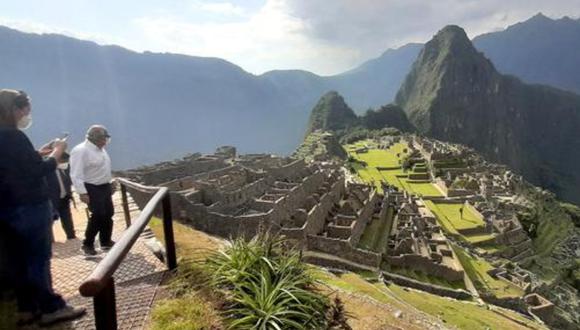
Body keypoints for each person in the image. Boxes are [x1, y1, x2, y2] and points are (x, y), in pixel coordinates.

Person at [0, 89, 85, 326]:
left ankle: (26, 309)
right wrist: (57, 152)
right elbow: (36, 171)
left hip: (6, 208)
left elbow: (14, 166)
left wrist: (38, 153)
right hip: (29, 206)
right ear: (15, 109)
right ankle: (51, 308)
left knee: (18, 259)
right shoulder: (14, 136)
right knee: (39, 258)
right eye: (26, 108)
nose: (28, 113)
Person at [70, 125, 115, 256]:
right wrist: (82, 192)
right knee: (98, 215)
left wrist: (110, 182)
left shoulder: (101, 150)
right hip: (92, 187)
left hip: (104, 186)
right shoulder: (81, 151)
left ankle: (105, 241)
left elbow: (103, 168)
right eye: (103, 139)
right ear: (95, 138)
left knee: (108, 213)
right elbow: (76, 174)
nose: (105, 142)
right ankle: (87, 244)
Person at [46, 152, 76, 240]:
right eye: (64, 161)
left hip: (65, 198)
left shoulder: (66, 168)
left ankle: (71, 236)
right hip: (51, 200)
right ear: (57, 160)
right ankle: (50, 241)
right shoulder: (48, 170)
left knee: (67, 218)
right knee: (49, 221)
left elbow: (71, 180)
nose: (66, 163)